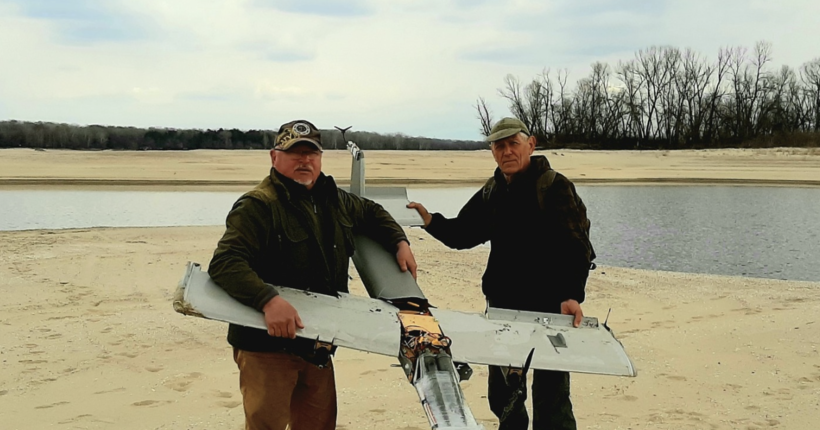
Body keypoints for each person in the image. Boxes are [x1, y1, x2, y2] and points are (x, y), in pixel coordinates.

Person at [207, 119, 417, 430]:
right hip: (266, 346)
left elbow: (373, 212)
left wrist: (399, 241)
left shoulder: (333, 199)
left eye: (312, 153)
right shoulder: (258, 205)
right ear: (274, 156)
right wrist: (268, 301)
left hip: (317, 344)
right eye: (295, 153)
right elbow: (226, 262)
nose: (305, 161)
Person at [407, 117, 595, 430]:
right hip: (502, 307)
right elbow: (464, 233)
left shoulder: (553, 186)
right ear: (493, 152)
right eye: (499, 146)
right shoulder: (494, 190)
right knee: (503, 395)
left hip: (550, 309)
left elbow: (578, 247)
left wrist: (572, 295)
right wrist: (431, 221)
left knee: (552, 397)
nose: (507, 151)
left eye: (513, 144)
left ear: (531, 145)